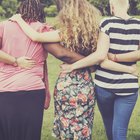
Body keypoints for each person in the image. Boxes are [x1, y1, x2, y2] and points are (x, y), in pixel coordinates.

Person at [10, 0, 139, 140]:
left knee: (67, 128)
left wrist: (19, 19)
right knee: (85, 127)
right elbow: (101, 57)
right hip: (86, 84)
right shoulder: (95, 34)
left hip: (68, 82)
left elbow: (36, 37)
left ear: (67, 15)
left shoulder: (67, 33)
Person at [0, 0, 92, 140]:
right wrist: (90, 62)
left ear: (21, 8)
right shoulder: (41, 29)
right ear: (40, 10)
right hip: (32, 90)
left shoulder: (4, 26)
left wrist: (14, 60)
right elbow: (62, 53)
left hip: (5, 90)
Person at [59, 0, 140, 140]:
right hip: (129, 87)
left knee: (110, 127)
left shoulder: (107, 23)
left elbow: (100, 57)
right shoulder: (138, 25)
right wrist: (130, 70)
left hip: (105, 86)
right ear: (128, 5)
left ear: (111, 6)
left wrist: (72, 66)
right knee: (120, 131)